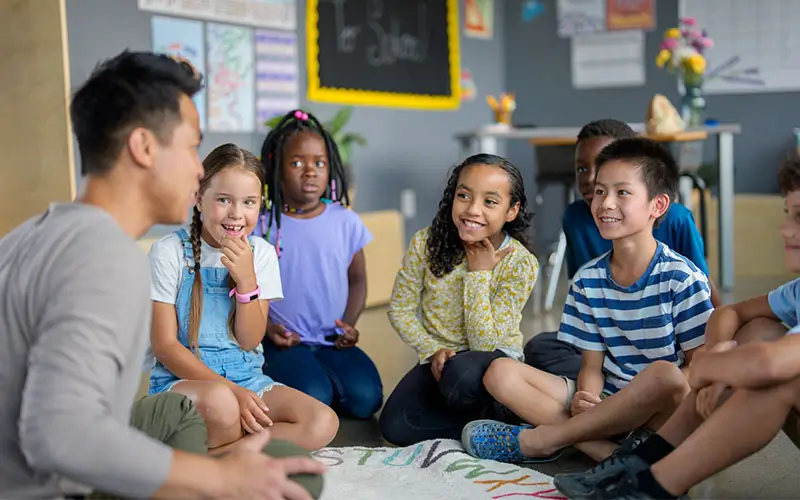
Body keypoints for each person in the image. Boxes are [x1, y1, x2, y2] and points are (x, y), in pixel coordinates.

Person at [0, 50, 324, 499]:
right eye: (191, 146)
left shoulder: (25, 238)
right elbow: (59, 436)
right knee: (296, 479)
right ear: (144, 147)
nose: (198, 168)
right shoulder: (104, 256)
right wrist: (220, 479)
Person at [553, 158, 800, 499]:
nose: (785, 229)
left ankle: (652, 481)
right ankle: (640, 465)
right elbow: (729, 313)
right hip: (626, 388)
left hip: (671, 384)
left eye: (799, 217)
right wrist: (717, 357)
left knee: (775, 379)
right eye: (788, 214)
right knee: (760, 330)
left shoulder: (678, 274)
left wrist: (709, 368)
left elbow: (769, 364)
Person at [461, 138, 714, 464]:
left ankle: (544, 439)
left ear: (658, 205)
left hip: (660, 411)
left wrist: (630, 405)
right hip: (607, 397)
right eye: (599, 191)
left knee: (666, 375)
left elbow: (698, 369)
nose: (605, 203)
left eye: (623, 192)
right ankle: (610, 454)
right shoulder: (587, 279)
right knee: (500, 373)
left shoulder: (682, 278)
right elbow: (592, 366)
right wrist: (587, 397)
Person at [147, 142, 339, 451]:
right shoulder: (169, 252)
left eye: (249, 202)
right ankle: (235, 453)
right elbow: (165, 347)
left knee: (322, 421)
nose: (237, 214)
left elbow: (249, 341)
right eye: (223, 199)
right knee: (223, 405)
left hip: (247, 379)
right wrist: (231, 392)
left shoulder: (261, 254)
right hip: (183, 383)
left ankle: (217, 459)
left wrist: (247, 281)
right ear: (198, 198)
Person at [525, 119, 721, 381]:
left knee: (682, 368)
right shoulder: (575, 218)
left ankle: (624, 388)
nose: (591, 178)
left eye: (603, 167)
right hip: (612, 339)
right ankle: (624, 386)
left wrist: (720, 341)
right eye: (582, 169)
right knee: (540, 347)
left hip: (667, 341)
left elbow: (704, 289)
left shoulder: (676, 220)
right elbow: (586, 297)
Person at [379, 154, 540, 446]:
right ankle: (490, 427)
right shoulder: (425, 243)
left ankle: (507, 407)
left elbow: (483, 344)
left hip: (492, 361)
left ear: (511, 211)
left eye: (490, 201)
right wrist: (432, 351)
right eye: (464, 196)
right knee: (395, 426)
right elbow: (400, 309)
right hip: (440, 360)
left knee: (461, 375)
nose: (473, 210)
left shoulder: (521, 263)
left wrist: (479, 274)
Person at [254, 109, 383, 420]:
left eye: (319, 163)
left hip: (330, 341)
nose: (310, 172)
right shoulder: (263, 225)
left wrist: (349, 324)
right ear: (276, 168)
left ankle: (320, 379)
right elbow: (245, 289)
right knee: (315, 397)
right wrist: (267, 328)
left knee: (367, 399)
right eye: (297, 163)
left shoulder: (345, 221)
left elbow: (357, 279)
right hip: (282, 343)